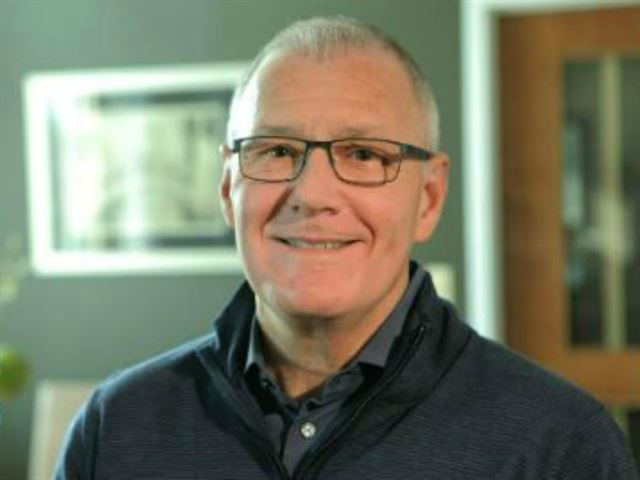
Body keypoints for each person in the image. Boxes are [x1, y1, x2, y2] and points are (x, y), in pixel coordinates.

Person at [56, 16, 639, 479]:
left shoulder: (559, 445)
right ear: (230, 190)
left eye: (364, 155)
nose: (312, 194)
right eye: (276, 150)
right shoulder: (117, 429)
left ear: (429, 197)